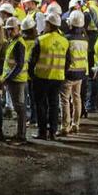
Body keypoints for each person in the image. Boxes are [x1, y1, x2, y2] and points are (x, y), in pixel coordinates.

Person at [30, 13, 68, 141]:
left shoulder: (41, 40)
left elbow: (32, 60)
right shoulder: (65, 41)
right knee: (54, 104)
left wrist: (32, 75)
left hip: (41, 77)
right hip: (58, 78)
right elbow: (68, 61)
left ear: (50, 25)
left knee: (41, 105)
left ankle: (42, 132)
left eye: (46, 23)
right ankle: (52, 132)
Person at [0, 17, 28, 142]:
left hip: (17, 80)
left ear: (18, 28)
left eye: (12, 29)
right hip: (14, 79)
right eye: (8, 29)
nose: (10, 31)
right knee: (19, 107)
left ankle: (21, 136)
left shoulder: (19, 43)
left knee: (20, 108)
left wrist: (7, 78)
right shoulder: (13, 41)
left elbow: (19, 65)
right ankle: (20, 134)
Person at [61, 10, 90, 135]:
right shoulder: (85, 39)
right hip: (81, 72)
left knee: (64, 100)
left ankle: (65, 126)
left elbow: (65, 58)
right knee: (77, 98)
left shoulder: (67, 39)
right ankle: (76, 124)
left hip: (69, 73)